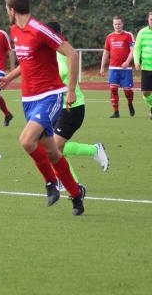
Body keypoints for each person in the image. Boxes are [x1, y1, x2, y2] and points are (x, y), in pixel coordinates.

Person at [0, 0, 86, 216]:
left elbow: (72, 54)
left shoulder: (40, 30)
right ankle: (76, 194)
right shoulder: (14, 30)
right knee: (53, 153)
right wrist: (9, 77)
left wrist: (71, 90)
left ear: (11, 9)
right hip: (28, 99)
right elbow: (27, 62)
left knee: (26, 141)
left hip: (50, 95)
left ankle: (50, 183)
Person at [46, 21, 109, 185]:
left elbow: (64, 73)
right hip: (55, 107)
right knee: (52, 148)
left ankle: (92, 153)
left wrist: (70, 90)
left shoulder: (65, 53)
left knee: (55, 146)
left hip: (72, 107)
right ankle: (66, 180)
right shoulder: (47, 54)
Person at [100, 16, 135, 118]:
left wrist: (127, 61)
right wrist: (102, 67)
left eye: (119, 24)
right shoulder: (109, 37)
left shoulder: (128, 35)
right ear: (113, 25)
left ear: (122, 24)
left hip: (126, 69)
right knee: (113, 89)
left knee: (127, 91)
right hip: (113, 69)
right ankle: (116, 112)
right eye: (115, 24)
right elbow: (106, 52)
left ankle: (130, 103)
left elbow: (133, 50)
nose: (117, 26)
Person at [134, 10, 152, 118]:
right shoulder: (142, 32)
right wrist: (136, 61)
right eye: (151, 19)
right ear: (148, 20)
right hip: (146, 67)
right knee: (146, 92)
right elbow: (137, 49)